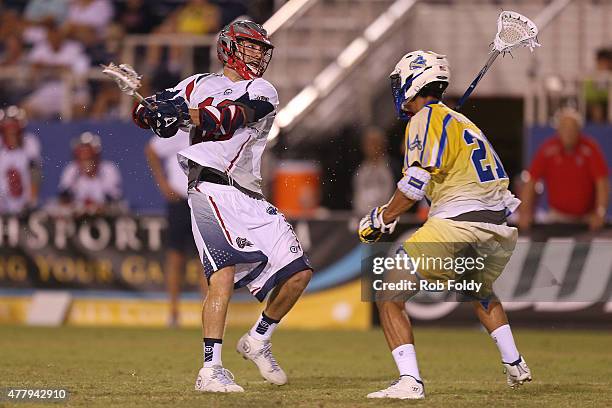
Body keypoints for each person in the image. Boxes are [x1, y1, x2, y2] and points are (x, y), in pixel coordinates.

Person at [132, 20, 312, 393]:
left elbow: (229, 118)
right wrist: (151, 111)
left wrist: (179, 114)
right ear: (229, 46)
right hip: (208, 188)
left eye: (262, 49)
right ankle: (210, 370)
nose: (259, 54)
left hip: (248, 193)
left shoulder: (262, 89)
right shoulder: (197, 83)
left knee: (299, 274)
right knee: (222, 277)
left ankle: (259, 338)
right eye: (251, 46)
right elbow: (152, 121)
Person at [358, 50, 531, 399]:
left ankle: (410, 382)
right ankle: (515, 364)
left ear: (413, 81)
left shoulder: (424, 120)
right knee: (478, 290)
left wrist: (383, 217)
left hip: (459, 223)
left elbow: (414, 184)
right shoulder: (462, 123)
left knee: (389, 294)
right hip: (498, 229)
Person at [145, 132, 202, 327]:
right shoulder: (181, 132)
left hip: (204, 200)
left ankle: (209, 313)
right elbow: (151, 150)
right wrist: (163, 183)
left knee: (206, 259)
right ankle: (173, 312)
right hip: (179, 199)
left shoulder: (212, 129)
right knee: (175, 256)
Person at [519, 107, 609, 231]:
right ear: (558, 130)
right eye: (565, 128)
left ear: (579, 130)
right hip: (557, 218)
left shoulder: (590, 149)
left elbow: (602, 183)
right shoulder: (547, 150)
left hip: (586, 219)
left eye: (572, 128)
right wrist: (525, 212)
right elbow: (531, 182)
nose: (569, 132)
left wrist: (600, 212)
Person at [57, 131, 122, 214]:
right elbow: (63, 197)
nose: (86, 155)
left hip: (105, 216)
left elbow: (114, 199)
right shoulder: (71, 169)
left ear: (97, 154)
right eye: (82, 152)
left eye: (89, 152)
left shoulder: (108, 169)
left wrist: (95, 207)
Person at [0, 106, 41, 214]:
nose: (11, 131)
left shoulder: (29, 142)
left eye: (14, 127)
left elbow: (35, 172)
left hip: (24, 204)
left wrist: (32, 200)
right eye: (8, 128)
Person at [352, 126, 396, 216]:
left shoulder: (393, 167)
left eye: (376, 143)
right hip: (361, 215)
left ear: (384, 144)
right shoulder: (358, 168)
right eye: (369, 143)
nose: (373, 147)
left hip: (386, 217)